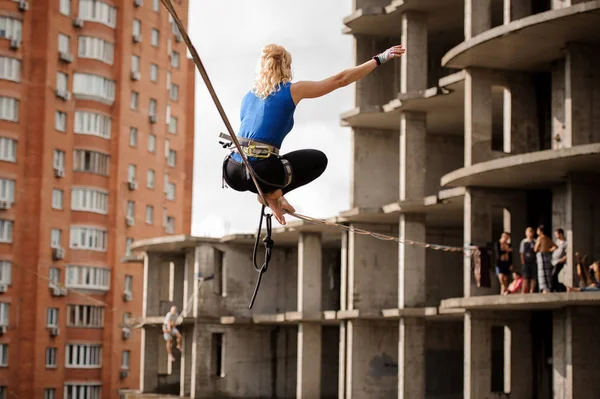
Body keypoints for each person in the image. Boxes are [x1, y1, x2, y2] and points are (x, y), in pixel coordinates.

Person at [222, 43, 406, 225]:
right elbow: (340, 80)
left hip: (232, 171)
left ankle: (273, 194)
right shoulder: (292, 90)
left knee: (266, 161)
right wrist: (379, 59)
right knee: (318, 159)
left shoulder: (248, 96)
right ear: (287, 66)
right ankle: (274, 194)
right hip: (261, 173)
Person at [534, 225, 557, 294]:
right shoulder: (547, 238)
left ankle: (544, 288)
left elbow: (535, 249)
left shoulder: (540, 238)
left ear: (541, 231)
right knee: (547, 272)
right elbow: (555, 246)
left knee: (542, 273)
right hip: (547, 255)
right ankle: (548, 287)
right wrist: (549, 250)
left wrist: (541, 249)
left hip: (541, 255)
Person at [519, 227, 537, 293]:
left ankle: (531, 291)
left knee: (533, 277)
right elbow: (521, 252)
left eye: (531, 232)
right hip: (526, 262)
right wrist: (523, 261)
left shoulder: (535, 241)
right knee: (525, 277)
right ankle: (523, 291)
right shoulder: (523, 242)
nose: (530, 234)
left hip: (534, 261)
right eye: (529, 232)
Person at [550, 228, 567, 292]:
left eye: (557, 234)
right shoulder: (556, 242)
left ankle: (552, 289)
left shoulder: (565, 243)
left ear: (561, 234)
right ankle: (557, 289)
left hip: (560, 261)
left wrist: (563, 259)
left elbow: (567, 253)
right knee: (555, 276)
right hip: (553, 261)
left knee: (554, 274)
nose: (556, 236)